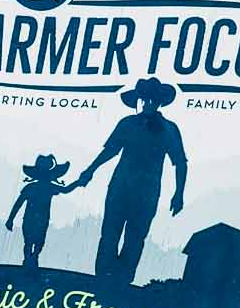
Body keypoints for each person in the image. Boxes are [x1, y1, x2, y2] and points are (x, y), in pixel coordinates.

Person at [73, 77, 188, 284]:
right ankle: (102, 281)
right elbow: (110, 151)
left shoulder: (169, 129)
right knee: (110, 233)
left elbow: (180, 162)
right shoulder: (127, 123)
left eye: (152, 99)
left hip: (147, 192)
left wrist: (179, 193)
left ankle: (123, 284)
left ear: (159, 101)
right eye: (145, 99)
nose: (148, 103)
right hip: (120, 188)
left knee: (135, 239)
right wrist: (89, 171)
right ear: (139, 100)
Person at [5, 154, 75, 267]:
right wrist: (79, 182)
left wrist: (10, 219)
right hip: (39, 219)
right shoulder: (47, 187)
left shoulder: (32, 187)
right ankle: (31, 259)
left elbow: (18, 204)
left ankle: (30, 259)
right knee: (35, 242)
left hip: (33, 219)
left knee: (31, 242)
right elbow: (66, 189)